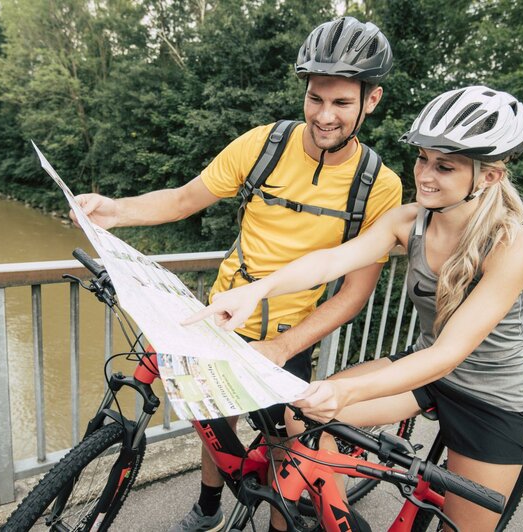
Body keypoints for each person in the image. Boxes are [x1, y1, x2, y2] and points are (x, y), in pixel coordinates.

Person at [71, 17, 403, 532]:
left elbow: (354, 295)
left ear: (371, 100)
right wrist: (114, 210)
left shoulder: (377, 185)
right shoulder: (264, 145)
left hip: (291, 336)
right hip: (223, 314)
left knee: (283, 454)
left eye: (341, 103)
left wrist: (285, 346)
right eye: (316, 98)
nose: (324, 116)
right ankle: (208, 506)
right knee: (214, 423)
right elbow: (184, 199)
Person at [185, 85, 523, 531]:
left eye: (444, 166)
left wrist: (347, 393)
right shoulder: (410, 219)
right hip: (423, 369)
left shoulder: (512, 245)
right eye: (423, 159)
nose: (425, 176)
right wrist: (256, 291)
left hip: (488, 395)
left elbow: (449, 353)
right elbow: (332, 260)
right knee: (302, 414)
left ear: (488, 176)